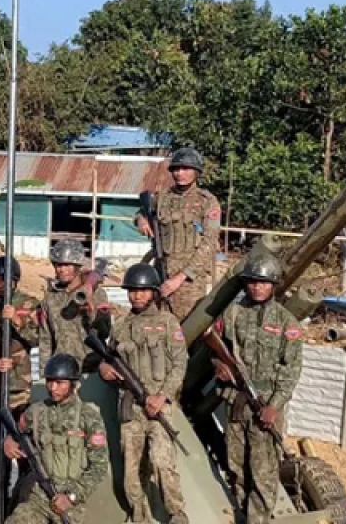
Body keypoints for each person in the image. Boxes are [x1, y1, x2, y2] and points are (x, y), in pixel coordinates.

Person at [213, 254, 302, 524]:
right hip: (236, 401)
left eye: (263, 282)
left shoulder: (287, 323)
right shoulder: (233, 312)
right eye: (252, 282)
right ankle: (243, 513)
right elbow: (214, 342)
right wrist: (218, 363)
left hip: (265, 405)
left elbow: (291, 369)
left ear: (273, 285)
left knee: (263, 472)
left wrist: (275, 405)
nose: (257, 287)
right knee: (237, 465)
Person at [98, 263, 188, 524]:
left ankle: (177, 515)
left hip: (160, 406)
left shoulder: (168, 323)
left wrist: (164, 396)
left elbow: (180, 363)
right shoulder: (122, 325)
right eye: (132, 291)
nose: (136, 296)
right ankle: (140, 518)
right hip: (130, 406)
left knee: (162, 463)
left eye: (142, 291)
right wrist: (105, 368)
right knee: (131, 471)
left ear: (153, 292)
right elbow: (110, 356)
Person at [3, 353, 109, 524]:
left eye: (60, 383)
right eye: (50, 382)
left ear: (73, 384)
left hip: (73, 503)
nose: (53, 388)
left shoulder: (89, 417)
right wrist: (8, 441)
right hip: (39, 497)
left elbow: (99, 466)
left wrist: (71, 497)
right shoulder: (36, 411)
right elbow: (16, 430)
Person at [0, 256, 42, 509]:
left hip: (21, 386)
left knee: (23, 438)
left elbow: (37, 338)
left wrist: (17, 321)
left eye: (3, 279)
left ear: (15, 280)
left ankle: (26, 492)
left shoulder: (29, 304)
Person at [135, 147, 222, 320]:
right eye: (176, 169)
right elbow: (141, 212)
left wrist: (180, 278)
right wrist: (141, 219)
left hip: (189, 280)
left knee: (187, 329)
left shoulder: (207, 201)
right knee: (155, 325)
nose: (180, 173)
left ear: (196, 171)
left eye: (185, 168)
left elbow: (209, 244)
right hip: (160, 270)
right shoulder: (162, 197)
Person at [38, 240, 112, 373]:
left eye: (67, 265)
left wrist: (91, 308)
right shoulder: (50, 298)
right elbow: (46, 338)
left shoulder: (97, 294)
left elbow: (105, 331)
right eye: (58, 265)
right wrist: (45, 373)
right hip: (62, 371)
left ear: (78, 266)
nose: (62, 270)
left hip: (91, 368)